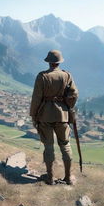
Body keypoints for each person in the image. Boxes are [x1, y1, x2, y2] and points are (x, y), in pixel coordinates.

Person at [30, 50, 78, 185]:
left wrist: (33, 115)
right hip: (63, 115)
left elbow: (36, 98)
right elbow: (74, 94)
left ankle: (50, 178)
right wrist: (68, 106)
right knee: (65, 146)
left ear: (48, 62)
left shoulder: (42, 76)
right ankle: (68, 177)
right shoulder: (67, 76)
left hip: (45, 115)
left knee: (49, 147)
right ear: (59, 62)